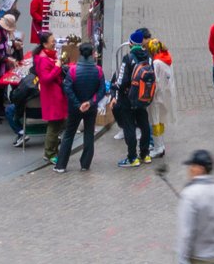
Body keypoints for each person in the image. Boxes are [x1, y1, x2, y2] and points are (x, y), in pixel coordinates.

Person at [55, 40, 108, 173]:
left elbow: (67, 88)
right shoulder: (98, 71)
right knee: (89, 134)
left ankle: (61, 165)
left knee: (69, 135)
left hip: (75, 108)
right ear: (92, 54)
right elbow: (101, 91)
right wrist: (90, 102)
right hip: (91, 108)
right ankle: (85, 164)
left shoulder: (73, 70)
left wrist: (78, 104)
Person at [112, 41, 155, 167]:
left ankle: (132, 158)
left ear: (131, 44)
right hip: (143, 96)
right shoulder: (148, 57)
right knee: (144, 124)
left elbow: (121, 80)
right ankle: (145, 154)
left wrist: (115, 90)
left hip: (128, 98)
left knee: (129, 127)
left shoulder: (128, 58)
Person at [34, 38, 68, 163]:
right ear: (45, 44)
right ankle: (49, 153)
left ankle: (52, 151)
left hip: (55, 94)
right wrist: (57, 67)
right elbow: (46, 78)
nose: (54, 42)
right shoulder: (44, 60)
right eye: (52, 41)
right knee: (54, 125)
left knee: (57, 124)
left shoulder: (48, 57)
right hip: (52, 96)